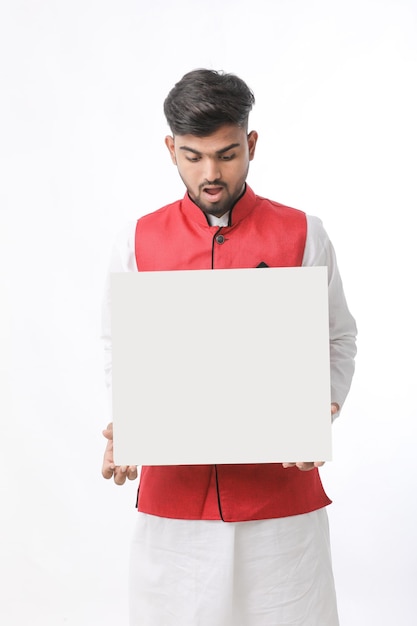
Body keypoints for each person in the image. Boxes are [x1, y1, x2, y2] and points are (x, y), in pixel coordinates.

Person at [101, 69, 357, 626]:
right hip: (176, 510)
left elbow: (338, 335)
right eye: (192, 157)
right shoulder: (137, 240)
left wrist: (323, 408)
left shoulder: (303, 233)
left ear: (252, 144)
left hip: (281, 509)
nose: (211, 173)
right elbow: (120, 346)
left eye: (227, 153)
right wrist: (127, 423)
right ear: (171, 148)